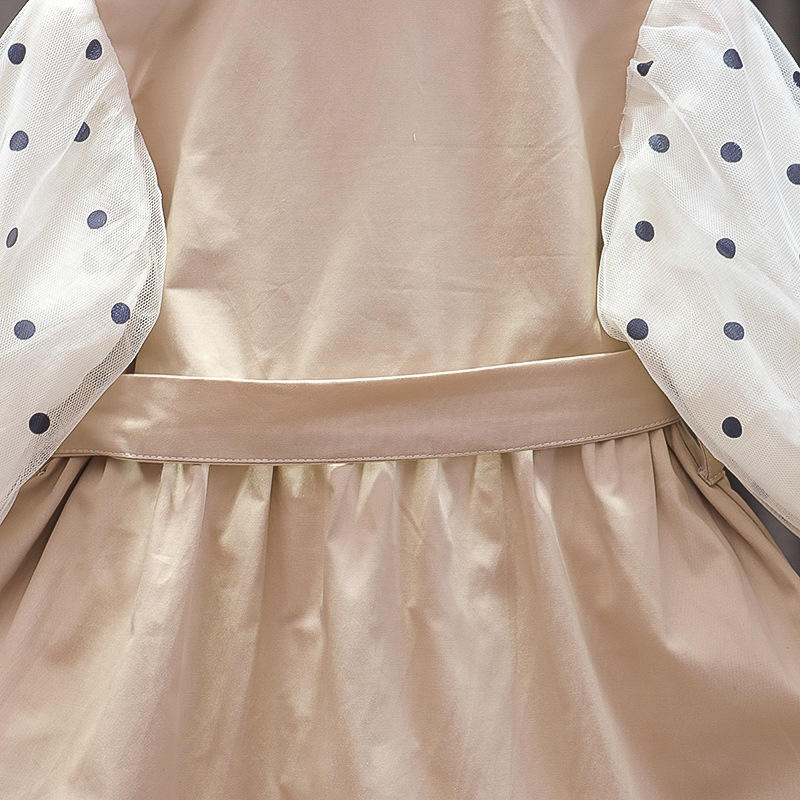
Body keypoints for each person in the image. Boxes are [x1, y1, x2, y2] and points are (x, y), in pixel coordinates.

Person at [1, 0, 799, 797]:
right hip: (577, 577)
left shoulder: (95, 15)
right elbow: (754, 337)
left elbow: (30, 332)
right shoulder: (675, 15)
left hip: (181, 592)